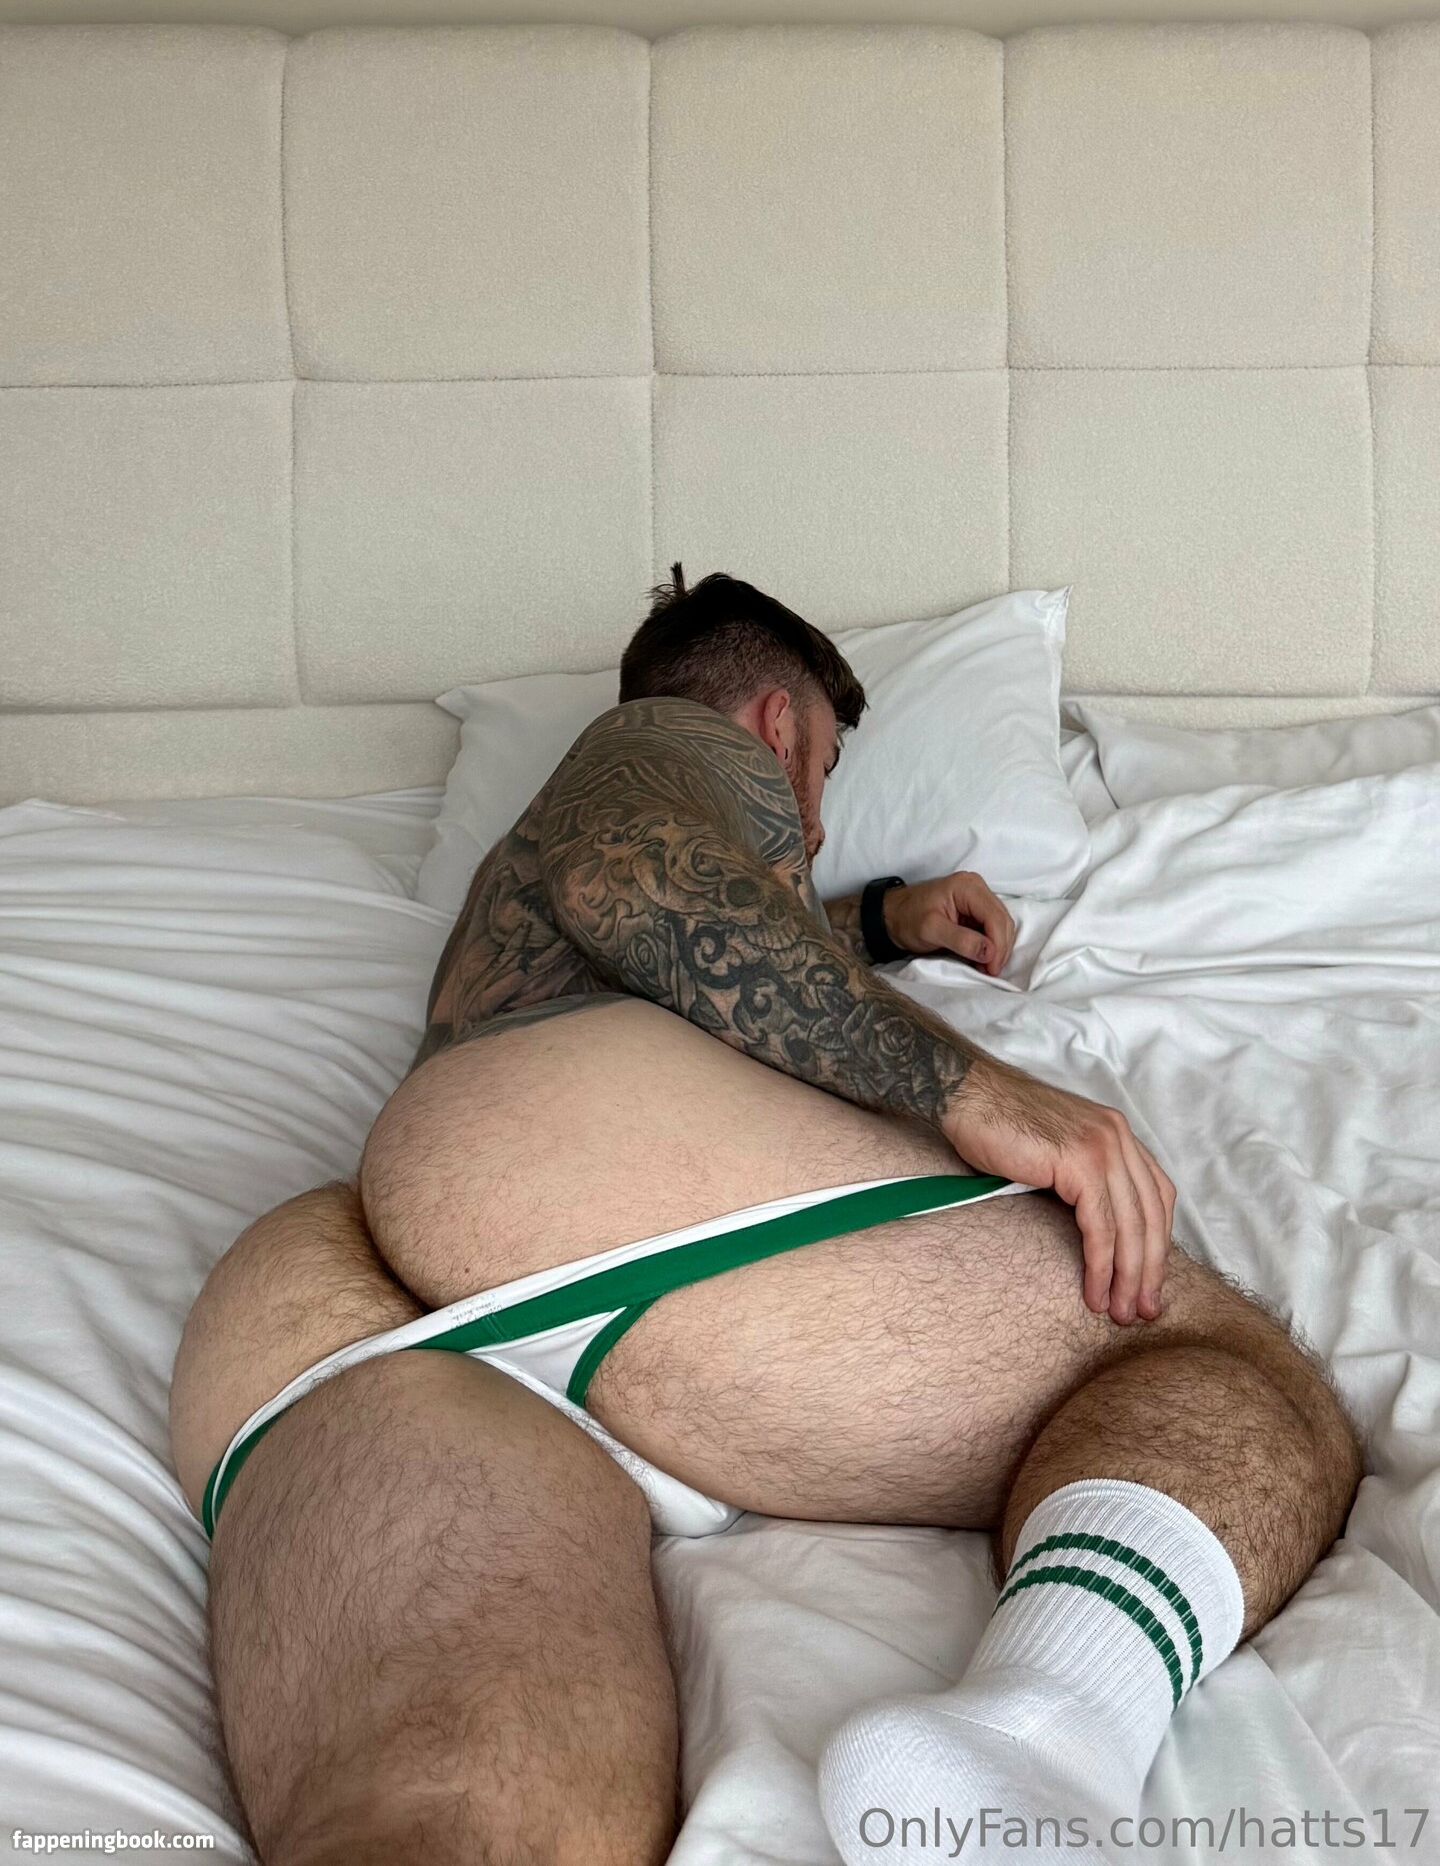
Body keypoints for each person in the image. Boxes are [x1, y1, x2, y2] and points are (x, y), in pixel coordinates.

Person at [170, 567, 1362, 1866]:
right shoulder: (664, 743)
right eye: (826, 771)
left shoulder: (563, 865)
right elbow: (631, 872)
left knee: (455, 1816)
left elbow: (696, 931)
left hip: (340, 1275)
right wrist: (968, 1085)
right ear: (776, 724)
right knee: (1222, 1368)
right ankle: (1042, 1743)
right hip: (568, 1174)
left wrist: (881, 920)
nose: (817, 814)